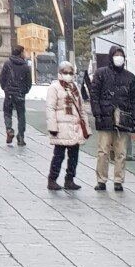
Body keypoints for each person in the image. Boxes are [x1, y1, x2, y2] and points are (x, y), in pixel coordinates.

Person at [89, 45, 135, 192]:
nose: (119, 58)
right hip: (105, 117)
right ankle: (101, 180)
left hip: (123, 118)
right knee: (103, 151)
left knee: (121, 152)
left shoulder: (129, 77)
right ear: (111, 57)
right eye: (116, 55)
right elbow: (94, 96)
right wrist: (97, 114)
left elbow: (134, 98)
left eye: (121, 55)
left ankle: (118, 180)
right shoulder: (101, 74)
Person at [45, 62, 88, 190]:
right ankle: (52, 179)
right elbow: (50, 108)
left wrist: (85, 126)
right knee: (59, 155)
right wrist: (52, 126)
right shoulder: (54, 88)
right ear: (60, 73)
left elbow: (81, 108)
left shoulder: (74, 87)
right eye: (65, 72)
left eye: (70, 72)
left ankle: (69, 179)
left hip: (74, 126)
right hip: (61, 127)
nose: (68, 75)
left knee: (74, 156)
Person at [0, 43, 32, 146]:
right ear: (21, 53)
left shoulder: (7, 64)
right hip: (20, 94)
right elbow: (28, 82)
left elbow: (2, 78)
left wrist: (5, 88)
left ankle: (9, 129)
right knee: (21, 115)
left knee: (7, 112)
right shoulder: (25, 66)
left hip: (9, 93)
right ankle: (21, 135)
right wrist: (24, 90)